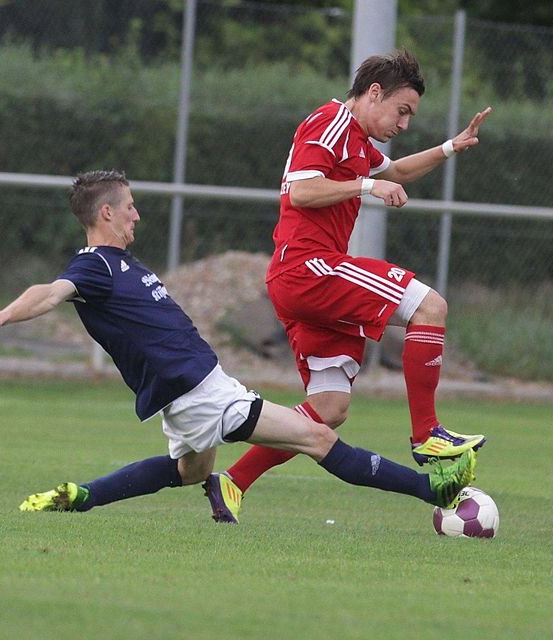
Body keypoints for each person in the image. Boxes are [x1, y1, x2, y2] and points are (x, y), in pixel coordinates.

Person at [0, 170, 482, 521]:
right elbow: (52, 291)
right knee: (317, 437)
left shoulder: (122, 265)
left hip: (195, 391)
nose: (137, 214)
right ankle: (430, 491)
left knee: (191, 472)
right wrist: (3, 315)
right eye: (130, 206)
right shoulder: (94, 265)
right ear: (106, 214)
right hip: (200, 394)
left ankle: (84, 496)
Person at [208, 49, 492, 524]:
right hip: (309, 268)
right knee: (430, 306)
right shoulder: (332, 121)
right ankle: (427, 433)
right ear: (374, 93)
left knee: (329, 408)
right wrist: (366, 187)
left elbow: (397, 171)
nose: (404, 124)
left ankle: (233, 481)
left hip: (303, 282)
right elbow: (301, 189)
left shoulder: (359, 142)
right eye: (402, 111)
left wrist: (449, 148)